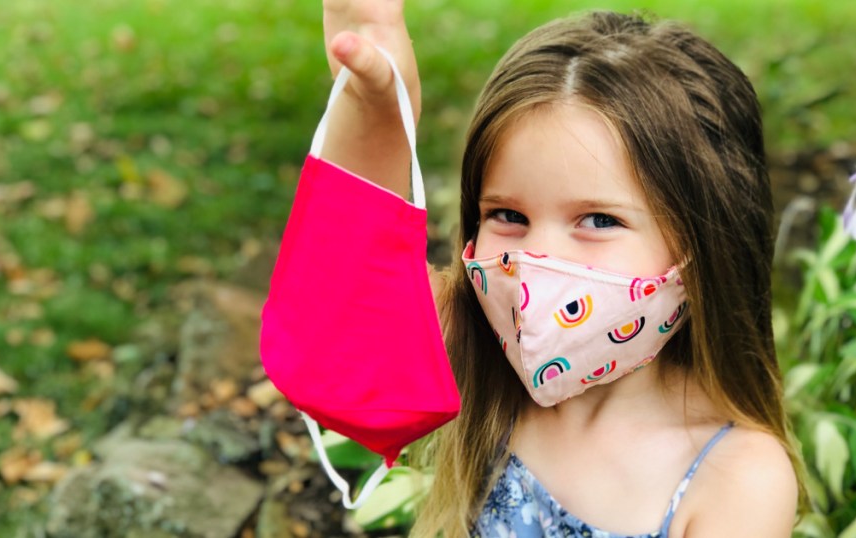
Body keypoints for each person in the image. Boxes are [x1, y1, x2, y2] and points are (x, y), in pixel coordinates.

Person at [318, 1, 801, 536]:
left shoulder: (736, 478)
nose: (533, 265)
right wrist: (377, 117)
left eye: (597, 219)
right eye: (508, 215)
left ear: (701, 240)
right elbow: (342, 314)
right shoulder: (474, 349)